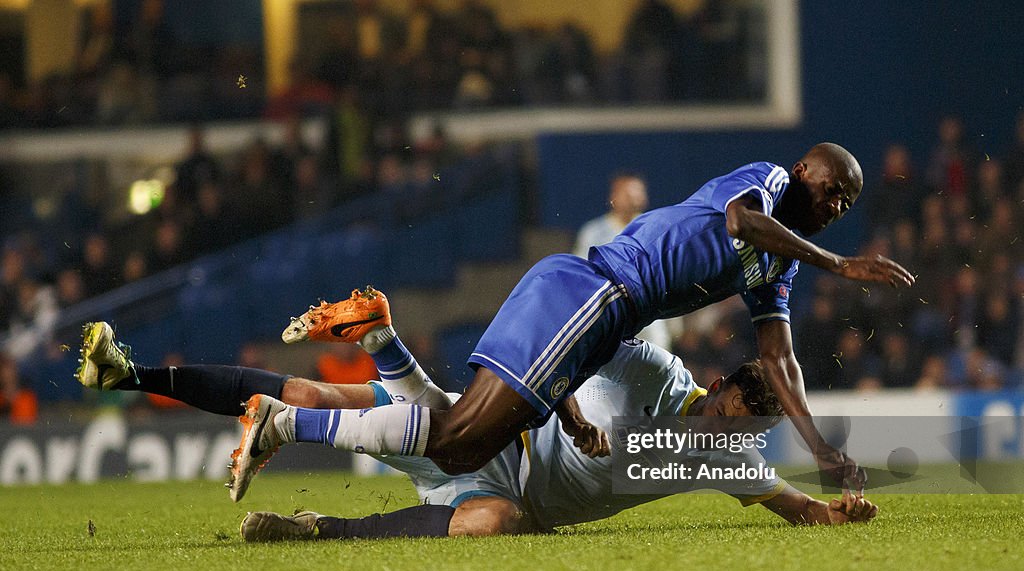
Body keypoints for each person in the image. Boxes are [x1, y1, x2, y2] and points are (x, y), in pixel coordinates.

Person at [268, 144, 913, 494]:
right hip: (598, 292)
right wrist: (842, 264)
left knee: (463, 441)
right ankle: (286, 419)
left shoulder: (780, 267)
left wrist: (823, 450)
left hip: (604, 316)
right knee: (462, 440)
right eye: (832, 188)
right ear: (804, 170)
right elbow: (742, 223)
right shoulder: (766, 183)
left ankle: (374, 340)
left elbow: (780, 363)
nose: (835, 204)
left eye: (846, 201)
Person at [73, 313, 877, 540]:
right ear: (724, 384)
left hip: (491, 481)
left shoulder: (708, 455)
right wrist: (564, 410)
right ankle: (137, 376)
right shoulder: (651, 372)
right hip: (492, 436)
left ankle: (313, 527)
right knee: (322, 396)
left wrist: (833, 511)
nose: (747, 426)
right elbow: (567, 341)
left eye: (763, 420)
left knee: (492, 521)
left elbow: (788, 503)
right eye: (750, 405)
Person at [573, 173, 671, 349]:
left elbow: (667, 272)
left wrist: (675, 322)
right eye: (628, 194)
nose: (633, 199)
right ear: (614, 196)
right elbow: (582, 277)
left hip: (649, 309)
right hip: (610, 312)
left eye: (638, 193)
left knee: (659, 365)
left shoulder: (654, 226)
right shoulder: (593, 231)